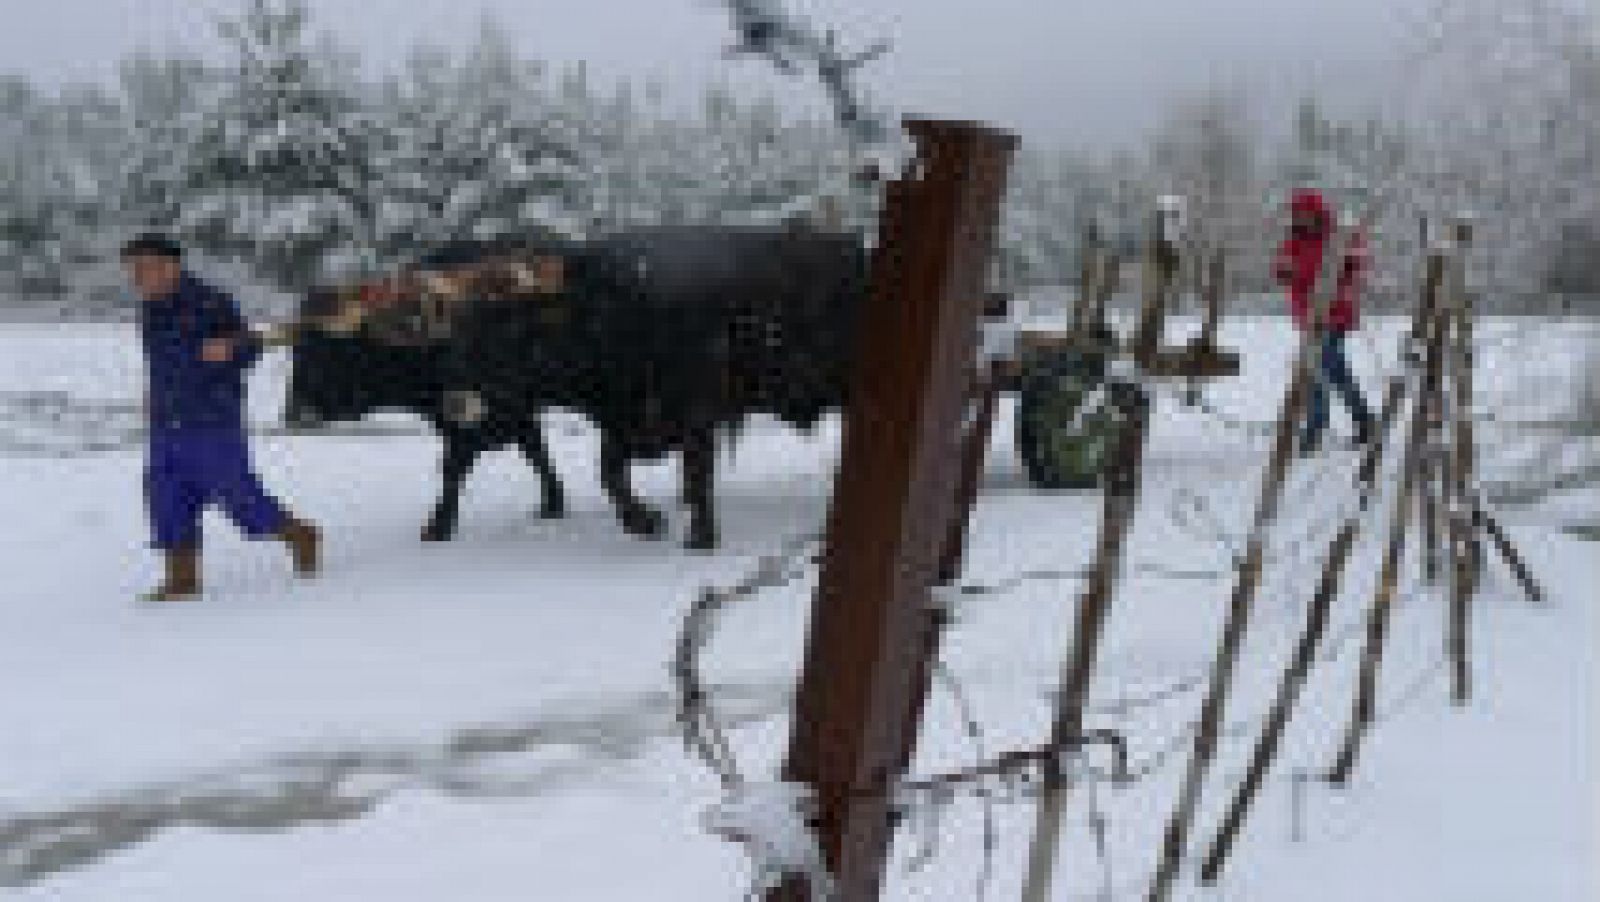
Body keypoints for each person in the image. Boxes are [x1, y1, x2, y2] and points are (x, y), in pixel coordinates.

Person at [125, 234, 320, 602]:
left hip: (212, 420)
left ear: (172, 266)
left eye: (144, 267)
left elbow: (250, 348)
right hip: (167, 420)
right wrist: (155, 390)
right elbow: (162, 359)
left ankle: (299, 534)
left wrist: (231, 348)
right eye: (133, 269)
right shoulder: (150, 308)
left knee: (239, 496)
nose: (137, 276)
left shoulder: (210, 302)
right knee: (164, 496)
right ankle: (182, 580)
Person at [1275, 189, 1375, 455]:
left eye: (1304, 213)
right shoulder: (1294, 240)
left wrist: (1348, 267)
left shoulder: (1338, 236)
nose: (1299, 218)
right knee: (1328, 369)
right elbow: (1283, 267)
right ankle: (1362, 421)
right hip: (1309, 316)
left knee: (1322, 367)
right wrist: (1284, 272)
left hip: (1334, 314)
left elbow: (1358, 263)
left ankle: (1317, 428)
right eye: (1296, 214)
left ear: (1316, 213)